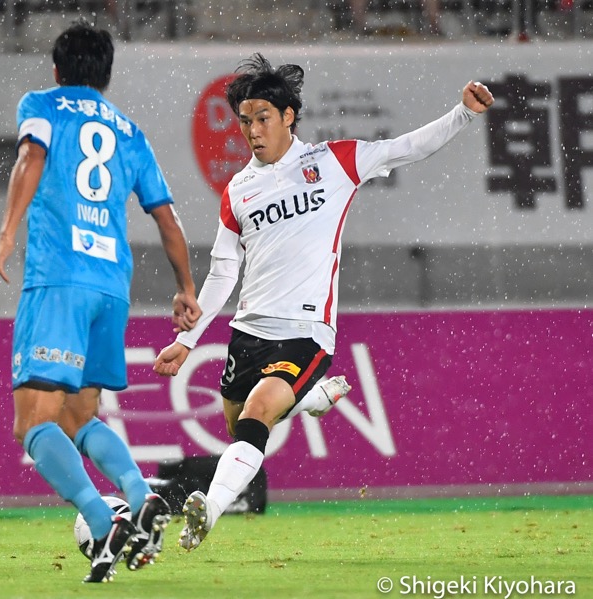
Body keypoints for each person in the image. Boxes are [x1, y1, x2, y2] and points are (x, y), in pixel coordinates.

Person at [154, 54, 494, 551]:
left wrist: (462, 113)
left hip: (305, 331)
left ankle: (210, 507)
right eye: (245, 121)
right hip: (249, 331)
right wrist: (187, 341)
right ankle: (310, 399)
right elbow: (224, 271)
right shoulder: (238, 190)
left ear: (288, 116)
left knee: (257, 414)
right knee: (241, 424)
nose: (252, 131)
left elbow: (407, 148)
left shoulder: (333, 162)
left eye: (262, 118)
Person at [0, 19, 202, 583]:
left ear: (57, 69)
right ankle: (139, 494)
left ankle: (104, 522)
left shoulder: (43, 104)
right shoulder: (129, 132)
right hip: (111, 287)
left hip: (59, 278)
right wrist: (186, 287)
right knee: (79, 416)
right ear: (105, 75)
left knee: (32, 423)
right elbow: (167, 217)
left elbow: (31, 158)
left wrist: (6, 235)